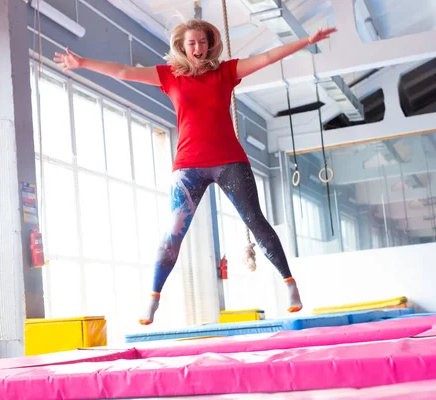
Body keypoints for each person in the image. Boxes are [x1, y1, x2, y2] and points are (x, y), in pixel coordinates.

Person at [54, 19, 336, 325]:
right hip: (188, 165)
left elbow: (266, 58)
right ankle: (153, 297)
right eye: (192, 44)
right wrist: (82, 63)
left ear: (210, 44)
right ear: (182, 46)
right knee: (174, 231)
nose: (198, 49)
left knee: (254, 220)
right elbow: (123, 72)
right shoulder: (169, 76)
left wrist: (307, 41)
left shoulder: (225, 72)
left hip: (229, 161)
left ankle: (290, 285)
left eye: (203, 43)